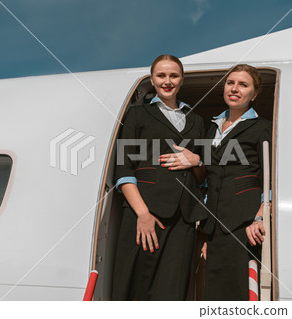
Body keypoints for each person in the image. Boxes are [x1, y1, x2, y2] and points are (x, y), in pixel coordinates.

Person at [112, 55, 208, 300]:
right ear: (152, 80)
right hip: (146, 213)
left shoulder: (197, 120)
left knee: (173, 292)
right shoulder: (137, 114)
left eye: (174, 75)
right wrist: (142, 214)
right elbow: (123, 169)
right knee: (138, 287)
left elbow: (201, 176)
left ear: (182, 79)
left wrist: (197, 161)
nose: (168, 81)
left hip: (184, 218)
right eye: (161, 76)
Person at [200, 64, 272, 300]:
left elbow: (270, 179)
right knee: (214, 297)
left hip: (246, 224)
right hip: (214, 229)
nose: (235, 89)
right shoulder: (212, 129)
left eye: (243, 85)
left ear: (254, 94)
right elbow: (209, 180)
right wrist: (207, 233)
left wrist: (261, 216)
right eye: (230, 83)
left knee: (240, 294)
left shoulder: (263, 128)